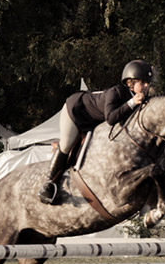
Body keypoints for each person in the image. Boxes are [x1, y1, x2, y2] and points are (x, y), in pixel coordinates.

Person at [38, 59, 153, 204]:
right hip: (76, 111)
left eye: (148, 83)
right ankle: (48, 184)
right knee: (67, 144)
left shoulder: (140, 98)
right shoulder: (115, 92)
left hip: (95, 122)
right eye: (142, 82)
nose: (146, 86)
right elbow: (111, 118)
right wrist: (131, 103)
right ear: (131, 82)